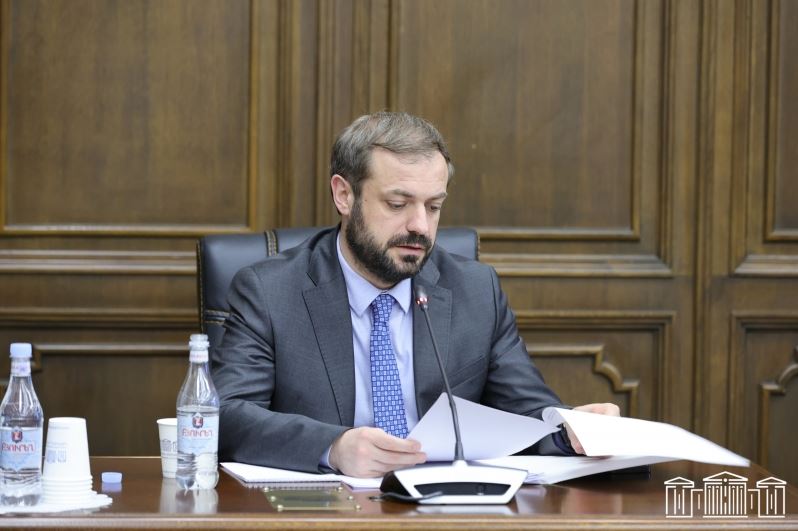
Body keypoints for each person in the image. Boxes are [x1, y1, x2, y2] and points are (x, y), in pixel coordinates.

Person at [211, 111, 619, 478]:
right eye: (397, 204)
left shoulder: (475, 291)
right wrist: (333, 447)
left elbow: (528, 413)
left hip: (447, 511)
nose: (420, 226)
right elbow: (225, 415)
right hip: (326, 514)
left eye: (433, 207)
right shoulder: (271, 292)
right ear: (344, 195)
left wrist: (570, 430)